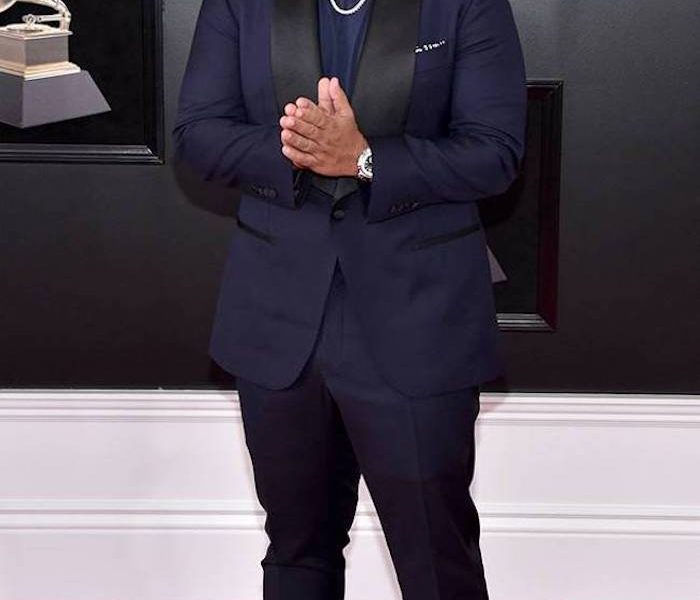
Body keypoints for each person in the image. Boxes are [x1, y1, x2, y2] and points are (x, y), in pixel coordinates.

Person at [172, 0, 527, 597]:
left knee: (437, 563)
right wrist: (303, 151)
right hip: (278, 318)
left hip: (419, 317)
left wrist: (365, 160)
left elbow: (495, 151)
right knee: (297, 555)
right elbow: (198, 132)